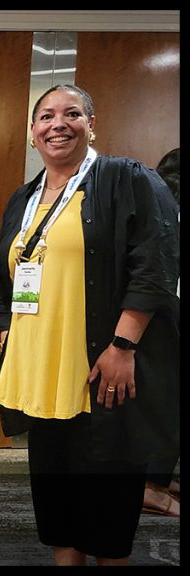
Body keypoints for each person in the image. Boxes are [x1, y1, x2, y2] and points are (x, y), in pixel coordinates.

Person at [0, 84, 180, 566]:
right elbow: (4, 277)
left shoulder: (125, 178)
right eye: (46, 116)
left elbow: (155, 263)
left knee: (107, 522)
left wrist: (122, 345)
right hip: (40, 380)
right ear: (32, 134)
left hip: (100, 377)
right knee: (60, 516)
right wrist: (8, 332)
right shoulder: (25, 197)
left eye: (72, 114)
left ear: (91, 124)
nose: (58, 124)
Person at [141, 146, 180, 519]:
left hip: (161, 314)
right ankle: (150, 486)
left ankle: (157, 480)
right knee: (165, 402)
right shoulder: (164, 206)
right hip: (161, 317)